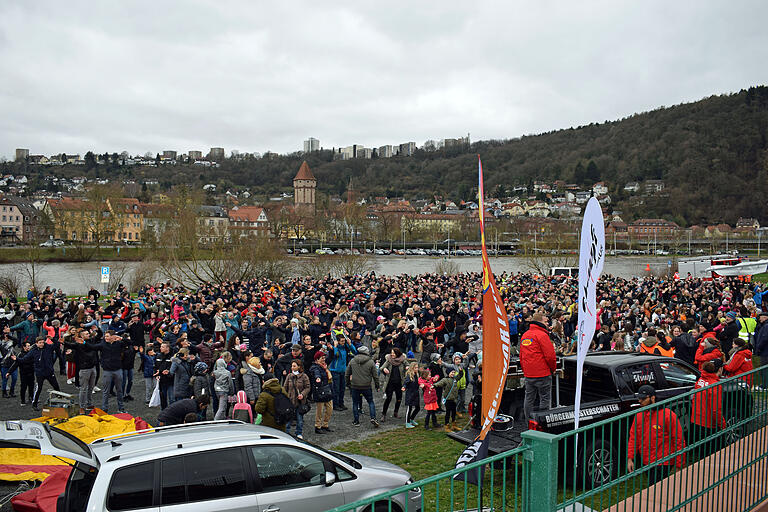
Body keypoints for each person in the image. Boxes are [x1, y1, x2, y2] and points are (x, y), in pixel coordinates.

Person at [626, 385, 685, 485]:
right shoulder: (639, 415)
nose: (640, 401)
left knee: (654, 488)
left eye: (643, 398)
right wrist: (630, 458)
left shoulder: (668, 415)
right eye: (639, 398)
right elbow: (634, 437)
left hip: (663, 462)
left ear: (652, 398)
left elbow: (678, 439)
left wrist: (679, 463)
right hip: (646, 461)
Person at [519, 311, 556, 422]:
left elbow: (521, 356)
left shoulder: (526, 335)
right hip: (543, 373)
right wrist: (553, 369)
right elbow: (550, 356)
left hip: (529, 374)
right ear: (540, 321)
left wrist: (526, 370)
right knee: (545, 399)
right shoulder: (542, 335)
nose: (547, 323)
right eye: (545, 321)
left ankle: (528, 422)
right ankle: (542, 424)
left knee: (529, 399)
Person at [690, 360, 727, 458]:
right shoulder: (715, 385)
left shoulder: (701, 380)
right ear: (720, 369)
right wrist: (723, 425)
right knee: (712, 454)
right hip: (708, 424)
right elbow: (716, 410)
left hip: (697, 421)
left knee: (702, 454)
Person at [90, 331, 131, 414]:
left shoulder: (119, 343)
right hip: (107, 371)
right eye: (105, 336)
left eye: (107, 336)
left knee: (119, 390)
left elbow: (130, 343)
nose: (106, 338)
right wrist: (83, 342)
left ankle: (121, 408)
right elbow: (92, 347)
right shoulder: (103, 344)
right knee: (106, 391)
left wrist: (121, 338)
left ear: (113, 336)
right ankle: (104, 409)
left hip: (118, 370)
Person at [19, 337, 60, 410]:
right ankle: (34, 404)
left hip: (49, 372)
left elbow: (57, 344)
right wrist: (17, 359)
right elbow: (25, 359)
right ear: (36, 343)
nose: (42, 344)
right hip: (40, 373)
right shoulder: (33, 351)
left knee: (56, 386)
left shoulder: (48, 348)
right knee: (38, 388)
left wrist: (52, 339)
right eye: (40, 343)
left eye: (43, 342)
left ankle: (60, 400)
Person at [345, 345, 380, 427]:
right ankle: (373, 417)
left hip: (355, 386)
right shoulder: (371, 362)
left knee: (355, 403)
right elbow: (375, 376)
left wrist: (348, 384)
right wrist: (377, 386)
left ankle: (356, 421)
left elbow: (347, 374)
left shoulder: (353, 361)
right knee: (370, 402)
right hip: (366, 386)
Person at [283, 360, 311, 439]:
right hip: (290, 401)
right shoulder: (289, 376)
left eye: (294, 366)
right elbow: (285, 387)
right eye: (292, 366)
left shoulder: (304, 376)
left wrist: (302, 394)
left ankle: (299, 432)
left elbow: (308, 387)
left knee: (299, 419)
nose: (292, 367)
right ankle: (286, 432)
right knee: (288, 418)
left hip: (300, 401)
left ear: (299, 367)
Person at [329, 333, 356, 411]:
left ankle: (341, 403)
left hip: (343, 370)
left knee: (342, 388)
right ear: (337, 341)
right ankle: (335, 404)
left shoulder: (345, 347)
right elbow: (335, 355)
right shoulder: (334, 348)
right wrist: (335, 346)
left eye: (344, 341)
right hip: (335, 370)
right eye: (341, 341)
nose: (343, 342)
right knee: (336, 389)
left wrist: (350, 344)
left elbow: (355, 352)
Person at [310, 351, 333, 434]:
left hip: (327, 389)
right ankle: (318, 426)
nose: (324, 359)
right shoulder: (315, 368)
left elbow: (331, 357)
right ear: (317, 360)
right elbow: (317, 375)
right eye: (322, 358)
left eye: (324, 358)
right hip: (319, 391)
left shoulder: (324, 367)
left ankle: (325, 424)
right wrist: (318, 379)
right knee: (320, 410)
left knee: (330, 408)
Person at [5, 341, 34, 405]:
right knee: (23, 387)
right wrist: (9, 372)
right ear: (24, 347)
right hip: (24, 374)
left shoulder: (31, 353)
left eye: (29, 346)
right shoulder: (20, 355)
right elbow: (15, 365)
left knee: (31, 386)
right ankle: (23, 401)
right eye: (28, 346)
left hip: (31, 373)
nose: (29, 347)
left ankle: (31, 398)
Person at [380, 347, 406, 420]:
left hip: (399, 383)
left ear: (397, 354)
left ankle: (396, 412)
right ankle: (384, 414)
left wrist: (407, 367)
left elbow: (408, 365)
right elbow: (381, 368)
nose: (392, 354)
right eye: (391, 353)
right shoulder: (389, 360)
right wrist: (384, 369)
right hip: (390, 383)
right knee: (388, 398)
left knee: (399, 398)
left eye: (393, 353)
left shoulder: (402, 360)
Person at [153, 342, 174, 409]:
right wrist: (156, 374)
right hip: (162, 381)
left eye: (162, 347)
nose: (160, 348)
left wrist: (165, 372)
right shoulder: (158, 356)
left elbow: (172, 368)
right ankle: (164, 412)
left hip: (171, 381)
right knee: (163, 398)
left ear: (167, 348)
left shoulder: (172, 357)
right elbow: (155, 367)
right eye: (161, 346)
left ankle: (173, 412)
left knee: (172, 399)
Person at [213, 353, 234, 420]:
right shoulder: (227, 373)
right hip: (224, 390)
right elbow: (230, 383)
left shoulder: (215, 372)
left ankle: (222, 418)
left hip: (217, 390)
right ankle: (215, 420)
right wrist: (232, 392)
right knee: (222, 408)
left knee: (221, 406)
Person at [403, 362, 421, 428]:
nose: (417, 369)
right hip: (410, 394)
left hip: (416, 394)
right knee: (409, 408)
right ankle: (407, 423)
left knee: (418, 408)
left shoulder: (417, 375)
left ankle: (411, 419)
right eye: (415, 368)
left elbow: (418, 382)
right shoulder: (409, 376)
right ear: (412, 368)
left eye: (417, 367)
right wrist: (404, 387)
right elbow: (405, 383)